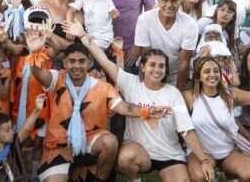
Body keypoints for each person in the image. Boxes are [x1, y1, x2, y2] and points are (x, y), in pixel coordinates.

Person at [73, 23, 214, 182]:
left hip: (169, 154)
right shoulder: (130, 83)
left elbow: (186, 130)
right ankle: (135, 179)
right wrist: (83, 36)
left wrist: (204, 160)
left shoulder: (173, 93)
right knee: (126, 158)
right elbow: (104, 60)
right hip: (140, 152)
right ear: (142, 67)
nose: (157, 70)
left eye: (161, 66)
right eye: (152, 65)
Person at [27, 41, 169, 182]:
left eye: (82, 61)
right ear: (64, 63)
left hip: (90, 140)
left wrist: (148, 112)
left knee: (109, 142)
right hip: (58, 146)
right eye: (72, 61)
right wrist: (33, 53)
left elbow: (126, 108)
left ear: (89, 63)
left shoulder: (103, 87)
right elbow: (39, 73)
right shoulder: (57, 78)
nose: (77, 66)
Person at [184, 56, 250, 182]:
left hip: (227, 151)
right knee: (200, 177)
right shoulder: (189, 96)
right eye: (207, 71)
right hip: (202, 152)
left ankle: (223, 175)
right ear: (198, 76)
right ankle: (220, 175)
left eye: (216, 71)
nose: (212, 75)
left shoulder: (230, 94)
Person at [132, 0, 199, 89]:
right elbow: (146, 57)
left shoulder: (190, 24)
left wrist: (178, 92)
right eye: (165, 0)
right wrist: (148, 88)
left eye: (174, 1)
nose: (169, 5)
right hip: (150, 71)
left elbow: (184, 63)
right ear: (158, 0)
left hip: (175, 75)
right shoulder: (144, 19)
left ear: (180, 1)